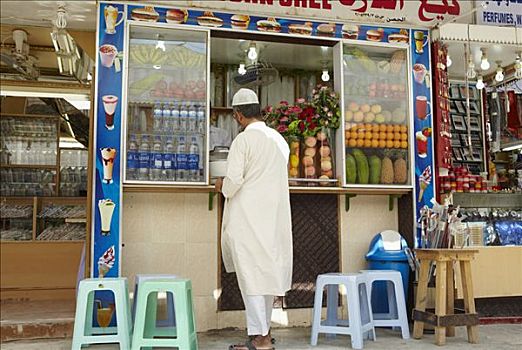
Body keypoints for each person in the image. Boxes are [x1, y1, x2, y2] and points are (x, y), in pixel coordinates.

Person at [215, 88, 293, 350]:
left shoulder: (243, 141)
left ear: (238, 115)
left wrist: (221, 186)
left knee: (251, 277)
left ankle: (260, 340)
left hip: (247, 219)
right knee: (266, 276)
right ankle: (265, 334)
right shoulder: (279, 140)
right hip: (273, 218)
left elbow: (233, 181)